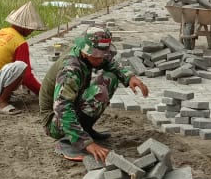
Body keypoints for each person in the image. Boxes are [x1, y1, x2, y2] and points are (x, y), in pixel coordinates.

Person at [39, 26, 149, 162]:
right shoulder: (70, 70)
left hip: (69, 107)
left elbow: (109, 62)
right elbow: (62, 107)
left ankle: (85, 129)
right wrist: (86, 143)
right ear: (85, 51)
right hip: (54, 122)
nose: (101, 59)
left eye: (102, 55)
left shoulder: (86, 55)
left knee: (110, 78)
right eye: (97, 56)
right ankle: (68, 142)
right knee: (98, 93)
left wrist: (129, 77)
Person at [0, 2, 47, 115]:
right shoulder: (20, 42)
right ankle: (0, 102)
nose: (31, 31)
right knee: (21, 66)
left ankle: (0, 96)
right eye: (30, 28)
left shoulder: (2, 32)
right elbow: (27, 76)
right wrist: (43, 93)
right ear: (23, 26)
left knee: (20, 66)